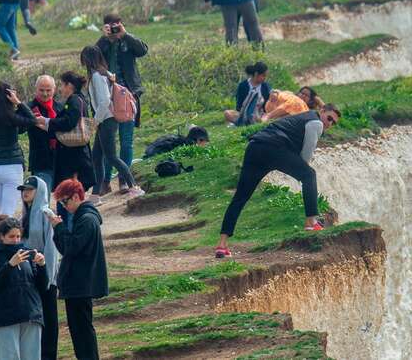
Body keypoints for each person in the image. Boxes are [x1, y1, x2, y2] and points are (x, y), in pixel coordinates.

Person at [215, 106, 341, 258]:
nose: (330, 124)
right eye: (329, 118)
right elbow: (306, 157)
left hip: (255, 146)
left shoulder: (302, 117)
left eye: (333, 123)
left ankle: (222, 244)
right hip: (275, 148)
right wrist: (297, 168)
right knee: (309, 175)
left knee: (240, 197)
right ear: (321, 111)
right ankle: (311, 222)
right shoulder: (316, 123)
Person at [0, 81, 43, 265]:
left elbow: (18, 127)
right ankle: (2, 250)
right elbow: (31, 121)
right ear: (9, 95)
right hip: (12, 166)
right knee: (7, 212)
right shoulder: (10, 115)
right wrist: (19, 102)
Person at [48, 179, 108, 360]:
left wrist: (59, 228)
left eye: (65, 201)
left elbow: (71, 248)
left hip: (81, 284)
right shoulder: (83, 218)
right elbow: (67, 248)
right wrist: (59, 229)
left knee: (82, 333)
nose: (64, 206)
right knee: (79, 332)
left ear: (76, 197)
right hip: (78, 284)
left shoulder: (86, 219)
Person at [82, 46, 145, 198]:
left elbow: (104, 101)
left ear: (88, 59)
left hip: (106, 120)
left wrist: (95, 121)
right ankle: (96, 195)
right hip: (105, 120)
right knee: (97, 157)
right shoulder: (104, 73)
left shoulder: (97, 76)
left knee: (111, 156)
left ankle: (133, 185)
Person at [95, 14, 148, 195]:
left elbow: (142, 50)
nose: (114, 29)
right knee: (108, 143)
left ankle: (124, 180)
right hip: (107, 97)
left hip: (127, 96)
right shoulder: (103, 43)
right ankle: (106, 180)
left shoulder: (127, 40)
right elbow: (93, 58)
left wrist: (124, 35)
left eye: (117, 26)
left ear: (122, 25)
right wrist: (105, 38)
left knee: (126, 141)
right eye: (111, 27)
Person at [0, 216, 47, 360]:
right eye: (11, 236)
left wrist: (42, 266)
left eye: (18, 236)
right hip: (6, 316)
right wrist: (10, 265)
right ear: (1, 237)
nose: (16, 240)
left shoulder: (28, 255)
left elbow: (42, 286)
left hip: (31, 314)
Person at [18, 176, 60, 360]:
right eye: (23, 189)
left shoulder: (45, 213)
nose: (25, 192)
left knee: (49, 319)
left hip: (45, 274)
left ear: (39, 191)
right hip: (30, 276)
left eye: (29, 189)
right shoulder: (23, 216)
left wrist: (49, 277)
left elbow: (51, 248)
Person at [42, 72, 96, 200]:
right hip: (77, 152)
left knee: (69, 191)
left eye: (62, 85)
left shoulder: (74, 100)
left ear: (69, 85)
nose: (60, 89)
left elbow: (69, 122)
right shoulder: (79, 99)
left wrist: (48, 122)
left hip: (73, 154)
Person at [24, 75, 63, 192]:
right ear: (36, 89)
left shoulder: (60, 107)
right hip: (41, 160)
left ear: (54, 90)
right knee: (42, 199)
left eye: (48, 90)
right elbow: (20, 129)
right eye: (41, 90)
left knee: (64, 200)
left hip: (61, 159)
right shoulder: (28, 108)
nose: (45, 94)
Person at [223, 62, 271, 126]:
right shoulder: (243, 85)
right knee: (227, 113)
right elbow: (239, 106)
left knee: (261, 117)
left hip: (258, 114)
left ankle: (244, 123)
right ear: (256, 74)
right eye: (263, 75)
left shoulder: (265, 86)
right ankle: (245, 121)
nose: (265, 78)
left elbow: (267, 105)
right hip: (244, 114)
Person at [143, 126, 209, 158]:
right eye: (205, 142)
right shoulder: (186, 146)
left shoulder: (182, 140)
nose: (205, 145)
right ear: (199, 140)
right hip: (152, 153)